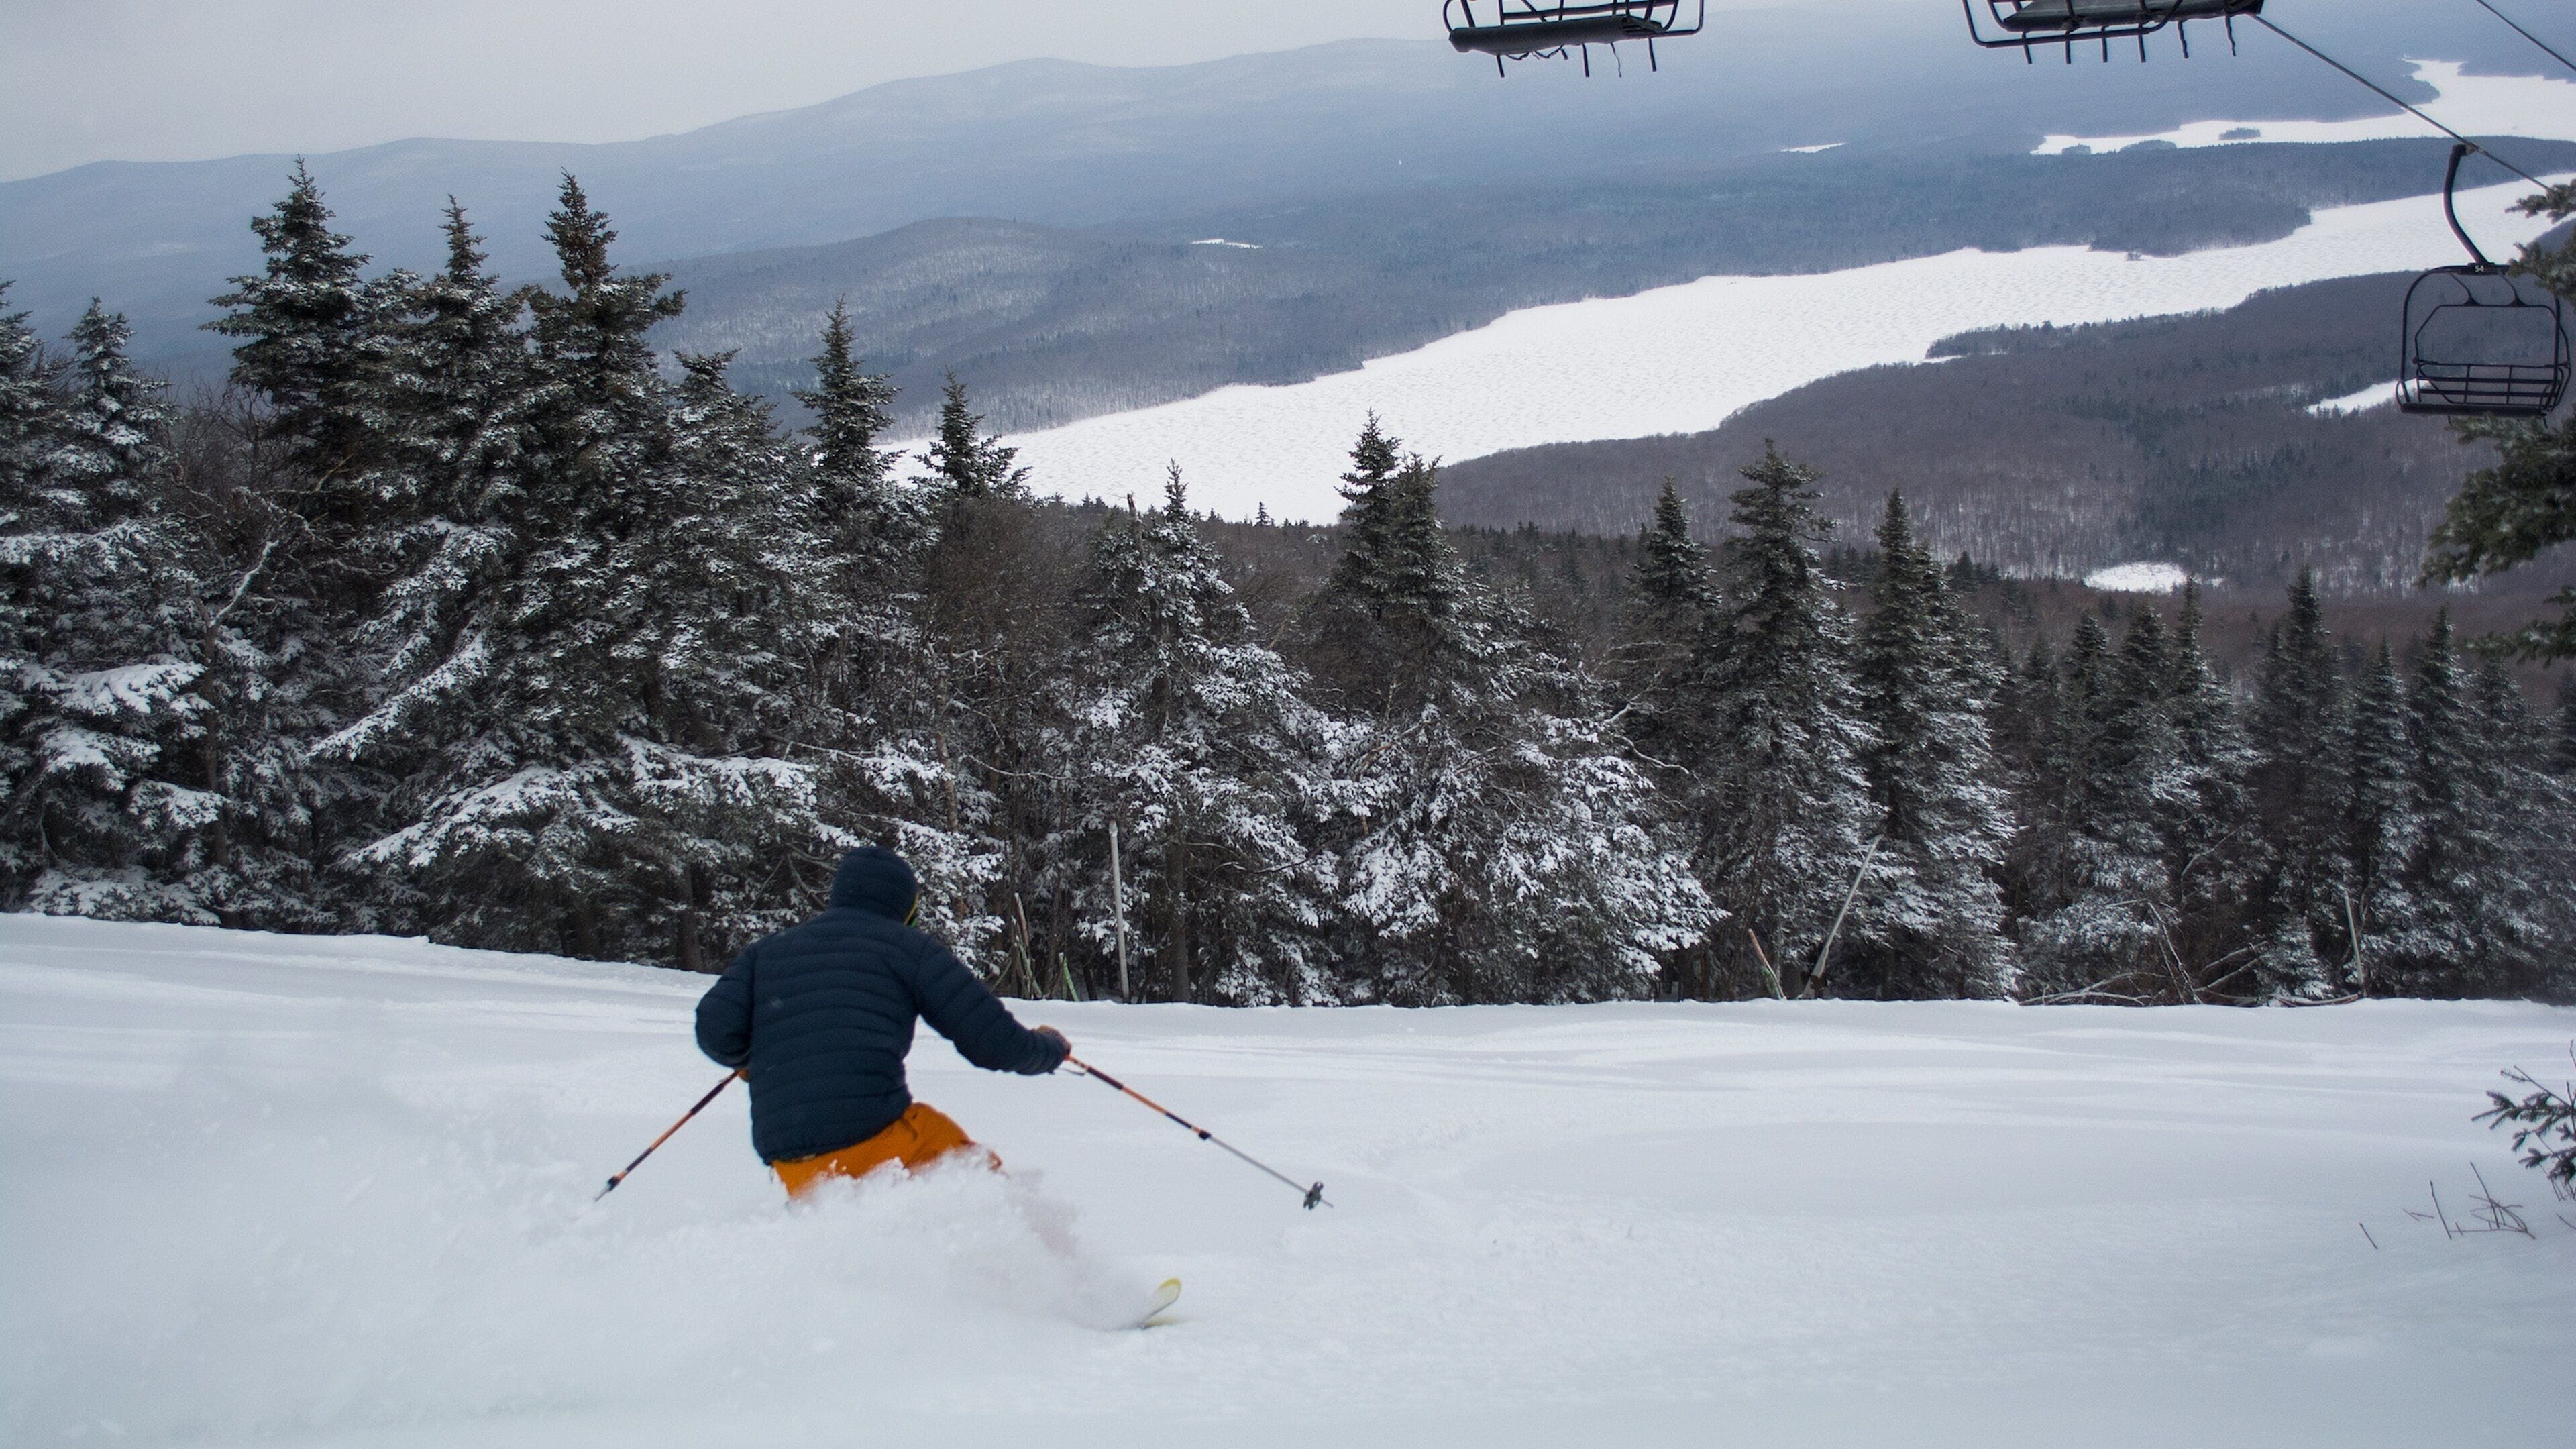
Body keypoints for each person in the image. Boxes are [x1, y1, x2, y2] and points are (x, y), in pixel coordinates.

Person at [694, 845, 1069, 1198]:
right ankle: (1009, 1256)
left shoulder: (766, 952)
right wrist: (1049, 1049)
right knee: (974, 1177)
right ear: (907, 906)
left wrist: (749, 1060)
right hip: (872, 1132)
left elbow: (714, 1029)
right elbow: (994, 1043)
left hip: (788, 1153)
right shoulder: (909, 949)